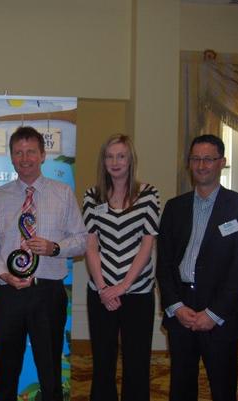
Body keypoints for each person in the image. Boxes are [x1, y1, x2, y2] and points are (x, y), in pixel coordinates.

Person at [0, 126, 87, 401]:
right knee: (7, 371)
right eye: (18, 152)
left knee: (50, 372)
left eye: (31, 151)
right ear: (11, 157)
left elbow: (82, 240)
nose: (25, 158)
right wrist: (4, 275)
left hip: (48, 293)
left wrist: (55, 248)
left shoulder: (63, 193)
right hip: (9, 293)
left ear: (43, 155)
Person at [156, 134, 238, 401]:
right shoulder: (174, 207)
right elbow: (164, 262)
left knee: (223, 389)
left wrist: (214, 312)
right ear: (189, 163)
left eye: (208, 159)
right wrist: (175, 306)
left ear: (222, 162)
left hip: (220, 312)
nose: (201, 165)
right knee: (181, 387)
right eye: (196, 159)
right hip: (182, 310)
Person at [82, 134, 160, 401]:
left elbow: (147, 245)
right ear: (103, 161)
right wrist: (105, 288)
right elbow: (91, 246)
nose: (115, 162)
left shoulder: (149, 195)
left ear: (131, 160)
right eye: (109, 156)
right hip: (100, 292)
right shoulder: (92, 196)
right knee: (103, 364)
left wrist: (123, 287)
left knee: (136, 364)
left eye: (121, 156)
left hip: (137, 292)